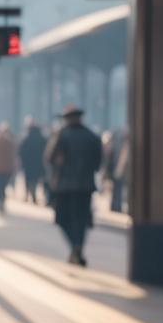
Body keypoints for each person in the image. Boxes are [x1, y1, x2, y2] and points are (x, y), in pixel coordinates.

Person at [45, 104, 103, 266]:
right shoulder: (91, 136)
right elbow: (98, 163)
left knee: (63, 218)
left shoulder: (61, 135)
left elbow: (49, 158)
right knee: (81, 219)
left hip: (64, 186)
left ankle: (74, 246)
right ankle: (77, 247)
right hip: (85, 186)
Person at [0, 121, 17, 213]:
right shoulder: (10, 142)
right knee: (3, 187)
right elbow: (12, 157)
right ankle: (2, 202)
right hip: (6, 169)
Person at [18, 117, 46, 205]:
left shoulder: (26, 138)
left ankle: (27, 194)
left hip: (28, 164)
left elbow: (21, 151)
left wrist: (22, 161)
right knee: (35, 179)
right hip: (38, 163)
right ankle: (33, 195)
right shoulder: (42, 139)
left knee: (28, 179)